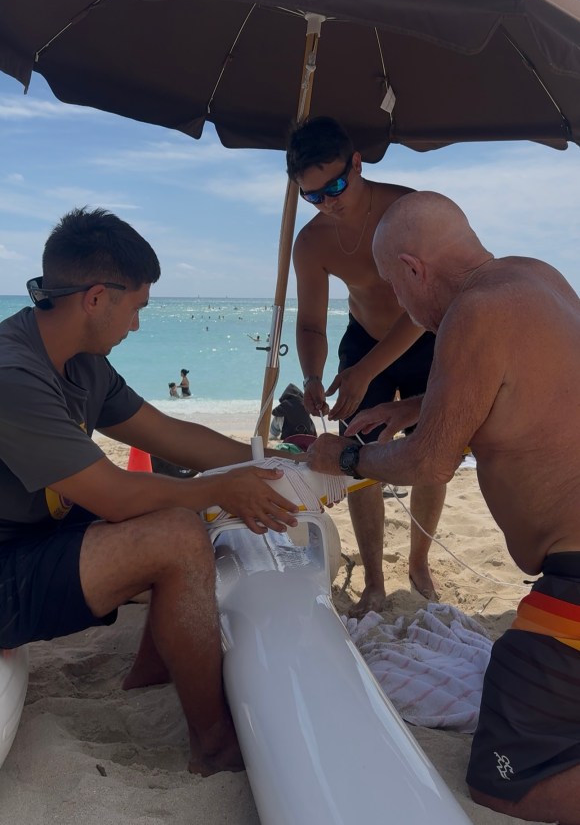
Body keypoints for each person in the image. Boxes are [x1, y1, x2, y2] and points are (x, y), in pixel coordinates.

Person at [306, 190, 580, 824]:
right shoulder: (536, 277)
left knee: (504, 779)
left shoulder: (474, 312)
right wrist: (412, 408)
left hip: (574, 584)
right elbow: (516, 388)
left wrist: (343, 461)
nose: (400, 308)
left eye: (396, 292)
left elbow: (429, 463)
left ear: (412, 268)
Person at [0, 208, 300, 777]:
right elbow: (114, 497)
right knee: (181, 534)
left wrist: (276, 463)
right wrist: (219, 489)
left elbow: (170, 434)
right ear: (95, 298)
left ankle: (150, 671)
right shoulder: (12, 373)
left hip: (32, 536)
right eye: (137, 307)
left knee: (188, 506)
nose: (137, 325)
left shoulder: (84, 363)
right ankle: (214, 745)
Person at [287, 116, 445, 614]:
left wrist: (364, 372)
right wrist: (313, 375)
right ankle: (374, 581)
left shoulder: (406, 210)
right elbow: (312, 323)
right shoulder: (312, 243)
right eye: (312, 195)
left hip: (423, 334)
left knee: (431, 454)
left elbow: (423, 312)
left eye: (335, 185)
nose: (328, 201)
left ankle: (419, 560)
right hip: (363, 341)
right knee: (356, 456)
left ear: (357, 163)